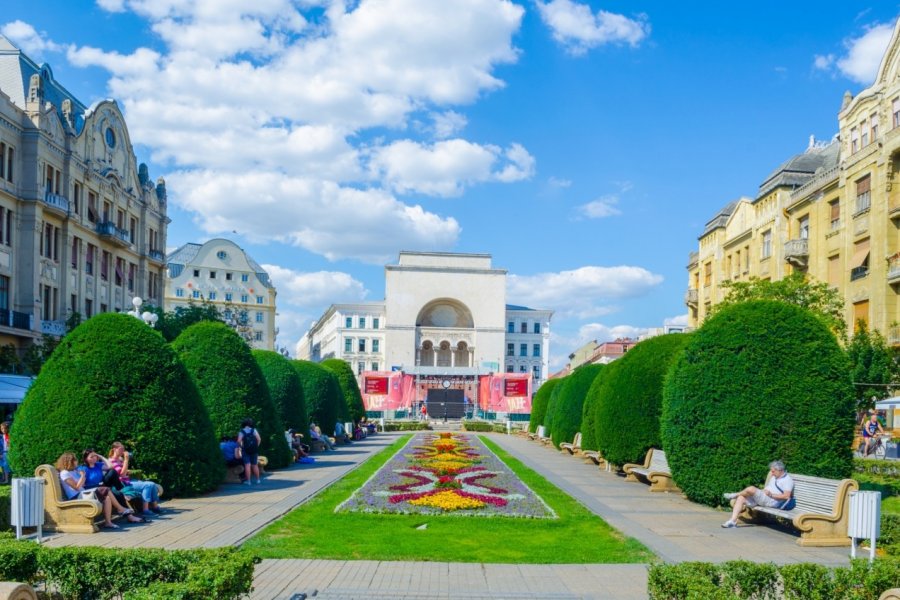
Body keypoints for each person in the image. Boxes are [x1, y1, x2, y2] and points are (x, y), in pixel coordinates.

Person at [58, 452, 141, 528]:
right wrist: (83, 476)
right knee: (106, 490)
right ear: (69, 461)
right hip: (76, 496)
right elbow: (76, 487)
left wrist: (82, 476)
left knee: (107, 498)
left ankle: (108, 522)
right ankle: (121, 509)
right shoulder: (64, 473)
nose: (76, 461)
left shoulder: (74, 471)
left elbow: (82, 484)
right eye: (74, 460)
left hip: (83, 493)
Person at [721, 460, 795, 528]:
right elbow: (769, 489)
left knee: (751, 489)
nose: (772, 474)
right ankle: (732, 521)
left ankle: (734, 494)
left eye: (773, 471)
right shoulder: (775, 477)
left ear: (780, 470)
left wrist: (771, 495)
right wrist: (762, 491)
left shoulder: (787, 480)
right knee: (741, 497)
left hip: (772, 501)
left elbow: (786, 496)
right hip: (765, 498)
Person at [107, 442, 163, 514]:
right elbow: (122, 474)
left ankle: (154, 507)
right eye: (121, 449)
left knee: (152, 484)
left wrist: (127, 470)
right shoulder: (111, 461)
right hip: (123, 484)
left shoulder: (120, 459)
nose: (123, 451)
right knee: (148, 485)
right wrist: (126, 460)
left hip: (128, 481)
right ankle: (145, 510)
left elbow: (123, 471)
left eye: (123, 449)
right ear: (114, 449)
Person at [238, 418, 262, 485]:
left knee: (247, 465)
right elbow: (259, 439)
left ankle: (248, 481)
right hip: (254, 450)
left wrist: (241, 446)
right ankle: (258, 480)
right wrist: (256, 446)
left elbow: (239, 441)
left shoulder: (242, 431)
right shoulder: (254, 430)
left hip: (245, 450)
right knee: (255, 465)